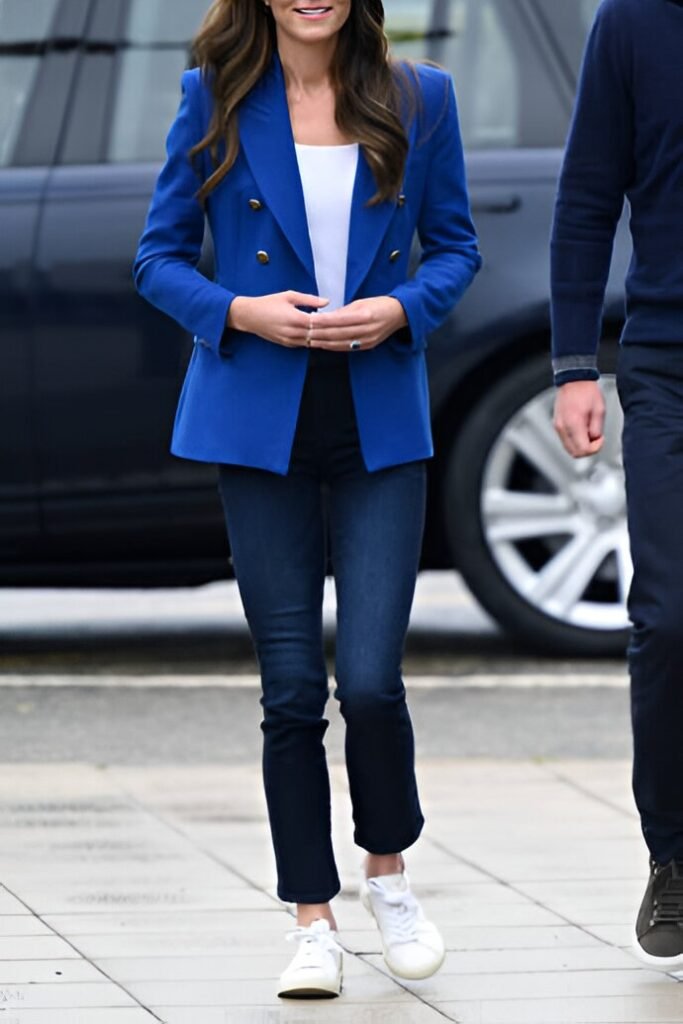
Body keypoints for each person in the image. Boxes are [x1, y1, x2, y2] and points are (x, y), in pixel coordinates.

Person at [133, 0, 480, 1000]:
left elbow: (454, 247)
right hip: (256, 417)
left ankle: (388, 874)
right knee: (290, 689)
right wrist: (237, 310)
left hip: (375, 413)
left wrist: (400, 306)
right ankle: (310, 919)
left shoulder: (421, 97)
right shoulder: (215, 98)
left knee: (369, 680)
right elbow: (156, 258)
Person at [551, 0, 683, 970]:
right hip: (666, 363)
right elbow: (587, 194)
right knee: (670, 615)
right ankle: (672, 857)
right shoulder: (631, 21)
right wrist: (569, 365)